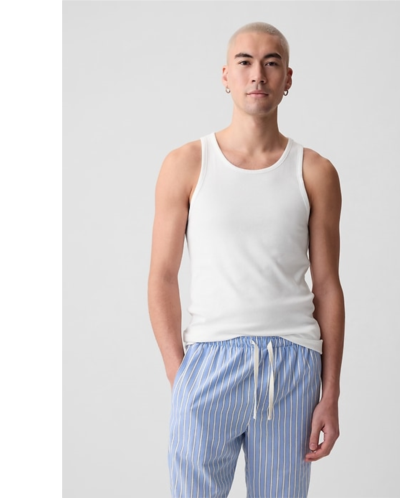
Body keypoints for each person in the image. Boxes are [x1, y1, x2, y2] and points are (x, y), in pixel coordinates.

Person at [147, 21, 345, 498]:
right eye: (245, 62)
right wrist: (180, 374)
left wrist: (331, 392)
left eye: (271, 63)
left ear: (287, 78)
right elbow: (162, 276)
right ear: (226, 76)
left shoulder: (315, 171)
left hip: (292, 364)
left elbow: (327, 286)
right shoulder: (186, 164)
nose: (258, 74)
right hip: (209, 359)